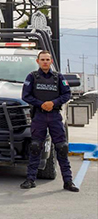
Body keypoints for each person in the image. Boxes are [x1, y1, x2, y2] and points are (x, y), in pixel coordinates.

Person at [20, 50, 79, 192]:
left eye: (47, 59)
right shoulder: (32, 77)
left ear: (51, 61)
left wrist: (53, 103)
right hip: (39, 116)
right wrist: (41, 104)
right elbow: (25, 96)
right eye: (43, 59)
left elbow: (67, 94)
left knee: (62, 148)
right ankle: (30, 179)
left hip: (54, 116)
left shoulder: (59, 77)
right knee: (35, 147)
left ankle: (68, 181)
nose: (45, 62)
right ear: (38, 61)